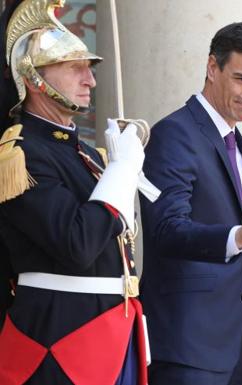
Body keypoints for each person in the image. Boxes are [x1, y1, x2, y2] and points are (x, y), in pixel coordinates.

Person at [0, 0, 148, 384]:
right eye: (75, 68)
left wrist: (117, 167)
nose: (90, 80)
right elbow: (78, 242)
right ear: (34, 79)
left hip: (114, 331)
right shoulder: (21, 154)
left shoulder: (84, 153)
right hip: (59, 340)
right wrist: (120, 170)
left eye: (90, 68)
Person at [139, 22, 242, 385]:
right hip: (185, 345)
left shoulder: (234, 140)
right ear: (212, 68)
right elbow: (165, 228)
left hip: (233, 346)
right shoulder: (174, 134)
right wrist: (238, 236)